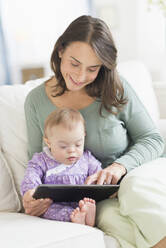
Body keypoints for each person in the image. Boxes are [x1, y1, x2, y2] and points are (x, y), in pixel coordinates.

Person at [22, 15, 164, 246]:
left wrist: (120, 167)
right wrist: (32, 197)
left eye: (92, 68)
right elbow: (34, 161)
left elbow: (153, 139)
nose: (80, 77)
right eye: (74, 63)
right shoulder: (36, 101)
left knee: (135, 193)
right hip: (96, 199)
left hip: (135, 177)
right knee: (111, 220)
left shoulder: (115, 88)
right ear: (60, 51)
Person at [21, 108, 102, 226]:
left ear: (84, 136)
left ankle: (87, 216)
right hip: (52, 205)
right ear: (49, 142)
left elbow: (99, 174)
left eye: (78, 144)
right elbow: (31, 176)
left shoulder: (87, 158)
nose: (72, 151)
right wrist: (31, 191)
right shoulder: (41, 160)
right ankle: (78, 218)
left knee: (87, 203)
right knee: (49, 210)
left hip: (80, 202)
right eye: (63, 146)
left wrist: (101, 182)